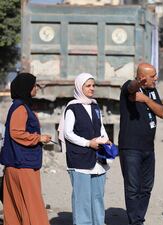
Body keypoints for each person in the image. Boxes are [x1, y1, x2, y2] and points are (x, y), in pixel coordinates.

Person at [58, 73, 112, 225]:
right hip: (79, 159)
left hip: (98, 160)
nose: (92, 89)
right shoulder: (72, 108)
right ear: (79, 87)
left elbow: (100, 127)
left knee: (97, 196)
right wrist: (88, 143)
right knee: (82, 199)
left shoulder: (95, 106)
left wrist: (106, 140)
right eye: (88, 86)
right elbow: (68, 133)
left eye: (93, 85)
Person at [0, 73, 52, 225]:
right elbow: (16, 132)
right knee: (33, 207)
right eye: (34, 85)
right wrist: (38, 138)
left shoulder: (19, 106)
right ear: (26, 88)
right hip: (23, 165)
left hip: (16, 163)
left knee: (16, 209)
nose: (36, 88)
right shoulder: (21, 108)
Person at [119, 63, 163, 225]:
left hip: (148, 148)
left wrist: (146, 99)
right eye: (152, 76)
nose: (156, 78)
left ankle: (139, 218)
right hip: (131, 148)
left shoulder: (151, 91)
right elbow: (131, 88)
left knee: (146, 187)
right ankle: (135, 221)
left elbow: (162, 113)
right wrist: (137, 84)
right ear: (142, 77)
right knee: (132, 188)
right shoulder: (128, 87)